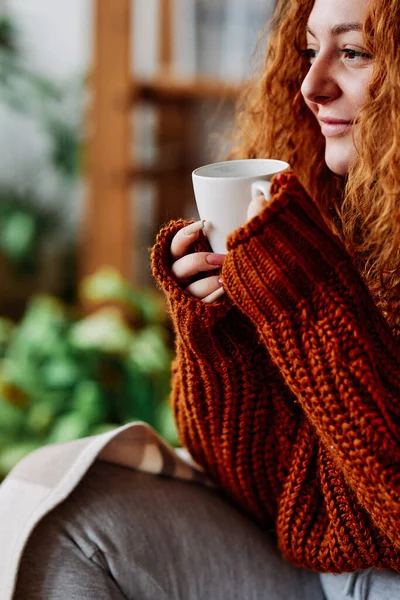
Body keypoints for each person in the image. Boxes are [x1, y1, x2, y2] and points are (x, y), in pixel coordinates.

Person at [12, 0, 400, 598]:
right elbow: (253, 485)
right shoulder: (340, 211)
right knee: (57, 508)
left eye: (353, 52)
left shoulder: (325, 260)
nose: (311, 86)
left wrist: (308, 298)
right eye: (308, 50)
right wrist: (217, 333)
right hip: (318, 568)